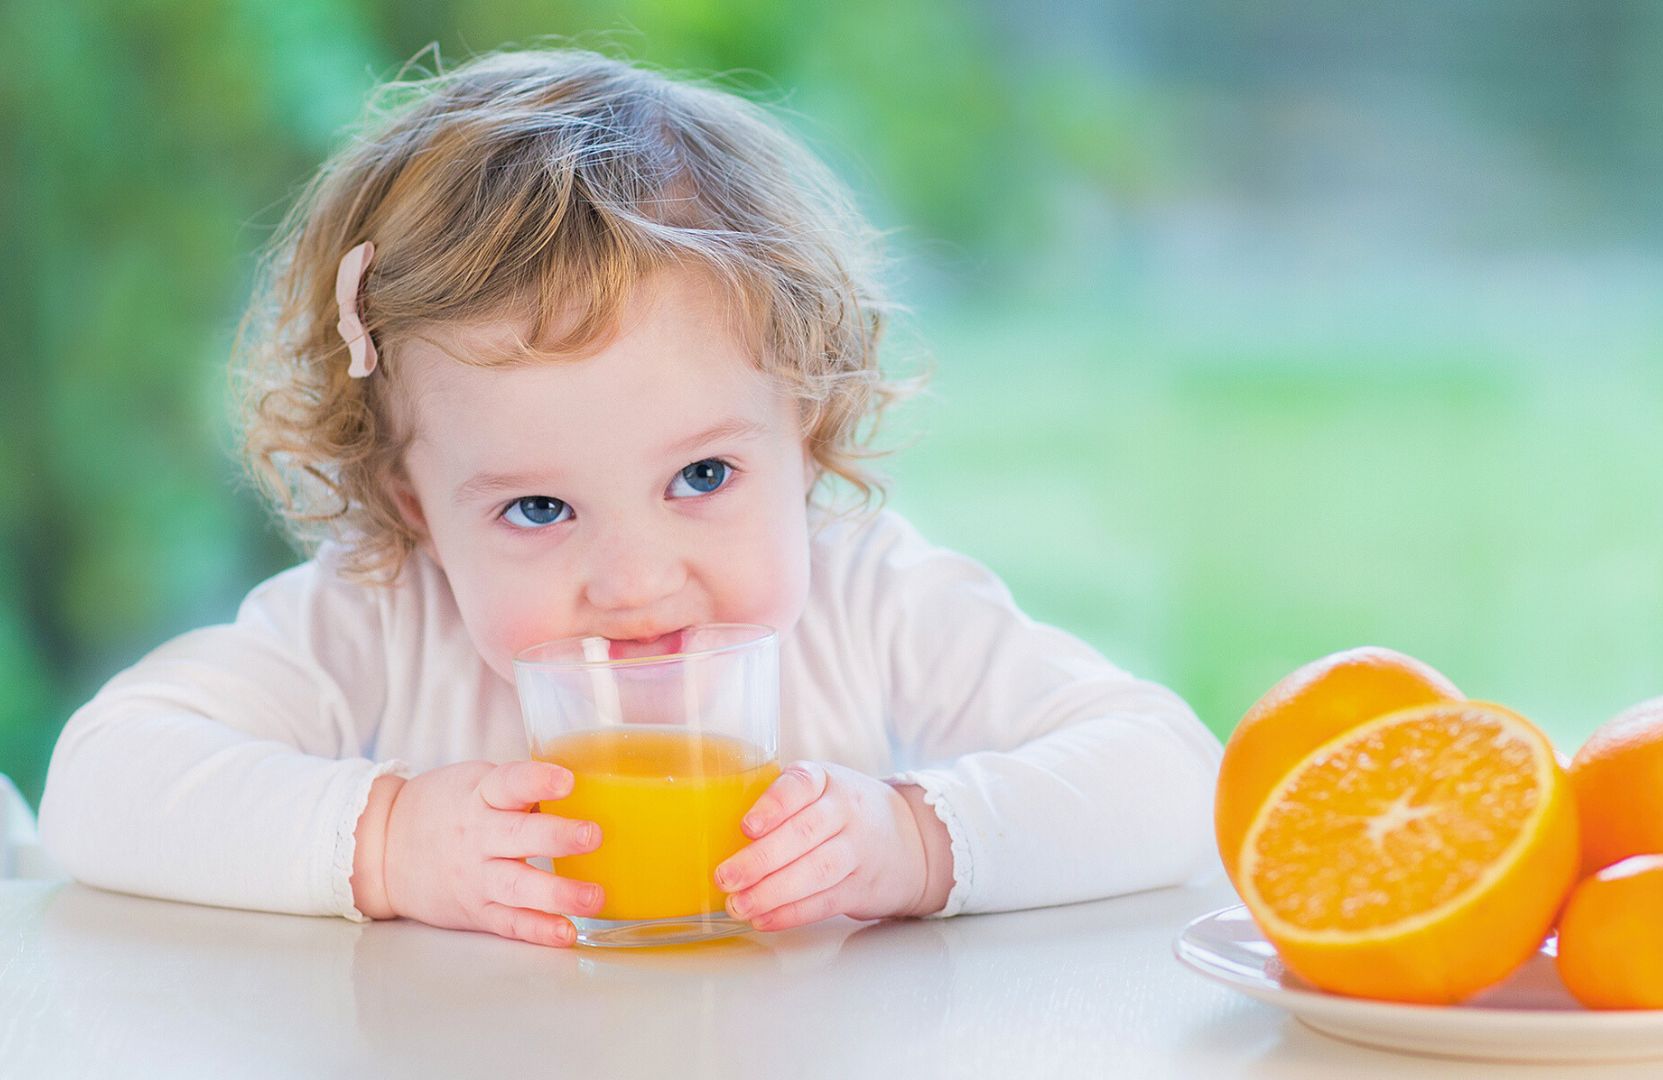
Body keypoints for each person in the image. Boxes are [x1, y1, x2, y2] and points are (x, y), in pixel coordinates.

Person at [37, 47, 1222, 948]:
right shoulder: (381, 617)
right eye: (538, 511)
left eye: (702, 477)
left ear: (804, 436)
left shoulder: (873, 600)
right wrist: (386, 843)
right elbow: (102, 782)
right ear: (415, 504)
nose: (640, 582)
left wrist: (918, 842)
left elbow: (1169, 773)